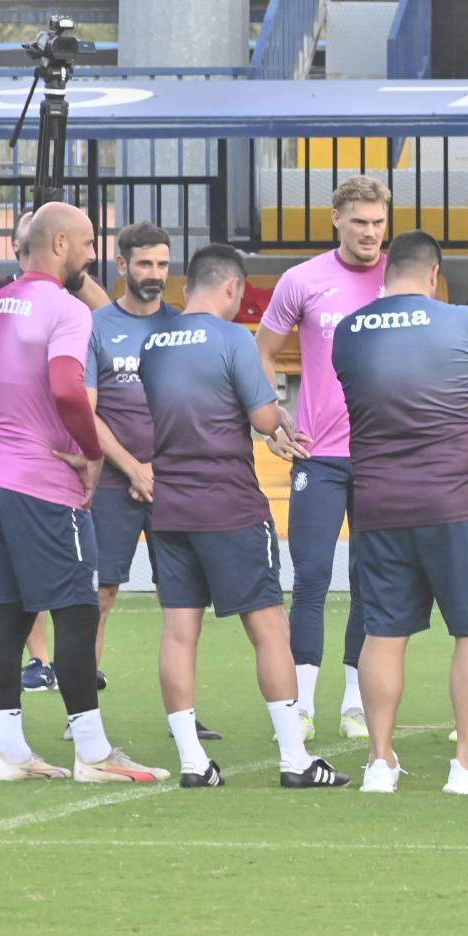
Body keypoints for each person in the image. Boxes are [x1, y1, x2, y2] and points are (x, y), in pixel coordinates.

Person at [0, 202, 168, 782]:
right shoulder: (66, 309)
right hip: (45, 487)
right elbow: (68, 388)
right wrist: (91, 455)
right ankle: (93, 753)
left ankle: (10, 754)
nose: (92, 256)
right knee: (78, 611)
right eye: (88, 245)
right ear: (60, 243)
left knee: (9, 617)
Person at [137, 244, 348, 790]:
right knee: (269, 627)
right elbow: (259, 415)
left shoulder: (154, 343)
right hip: (228, 502)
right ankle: (296, 759)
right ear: (231, 288)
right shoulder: (233, 339)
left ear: (189, 288)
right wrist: (278, 418)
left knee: (180, 631)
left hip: (172, 506)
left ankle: (192, 761)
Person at [333, 232, 468, 795]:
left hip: (378, 505)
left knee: (384, 633)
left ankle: (379, 763)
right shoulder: (463, 320)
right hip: (457, 503)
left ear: (386, 272)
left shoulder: (349, 332)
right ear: (434, 273)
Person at [256, 174, 391, 740]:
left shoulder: (402, 280)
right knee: (310, 576)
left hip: (384, 457)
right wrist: (271, 422)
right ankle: (303, 704)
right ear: (335, 219)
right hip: (319, 455)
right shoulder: (302, 280)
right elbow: (261, 352)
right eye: (359, 222)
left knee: (371, 578)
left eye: (379, 223)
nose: (370, 233)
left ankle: (356, 701)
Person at [85, 222, 181, 697]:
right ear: (122, 265)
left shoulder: (182, 326)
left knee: (179, 600)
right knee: (100, 595)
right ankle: (81, 713)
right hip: (110, 483)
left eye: (163, 263)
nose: (155, 273)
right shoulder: (96, 327)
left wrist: (160, 469)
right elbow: (87, 410)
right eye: (145, 263)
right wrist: (132, 466)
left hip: (170, 484)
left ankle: (183, 713)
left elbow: (195, 407)